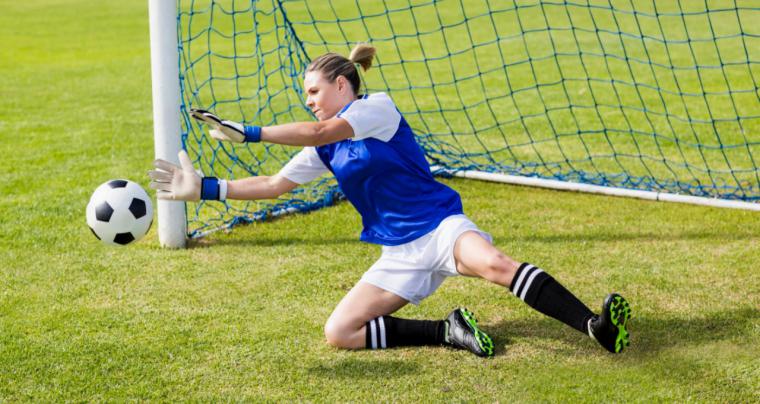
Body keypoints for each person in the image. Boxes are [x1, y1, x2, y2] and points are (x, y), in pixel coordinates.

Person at [149, 44, 631, 357]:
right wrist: (206, 189)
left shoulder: (375, 109)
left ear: (343, 85)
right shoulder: (326, 147)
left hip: (440, 226)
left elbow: (319, 128)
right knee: (340, 331)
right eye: (306, 94)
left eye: (314, 91)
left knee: (496, 264)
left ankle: (594, 326)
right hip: (399, 252)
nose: (309, 100)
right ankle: (447, 331)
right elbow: (276, 185)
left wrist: (251, 132)